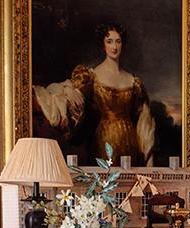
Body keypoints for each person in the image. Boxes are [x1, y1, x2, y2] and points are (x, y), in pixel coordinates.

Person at [34, 24, 155, 165]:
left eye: (118, 41)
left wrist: (149, 159)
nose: (114, 46)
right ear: (103, 45)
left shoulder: (134, 82)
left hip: (130, 142)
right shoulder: (90, 76)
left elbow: (145, 122)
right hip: (102, 142)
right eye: (109, 41)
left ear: (123, 44)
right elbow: (54, 91)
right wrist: (68, 89)